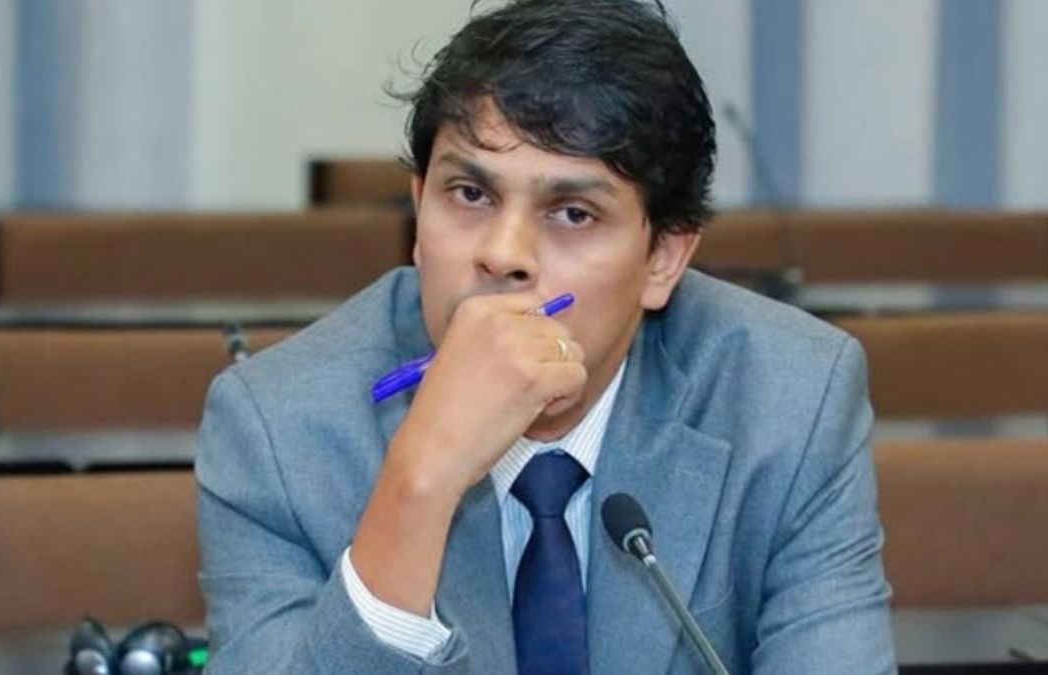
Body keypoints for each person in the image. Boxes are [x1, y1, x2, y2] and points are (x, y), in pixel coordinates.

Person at [195, 1, 895, 673]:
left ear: (663, 258)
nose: (504, 254)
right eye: (470, 194)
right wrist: (420, 481)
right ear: (418, 213)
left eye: (573, 213)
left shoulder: (790, 399)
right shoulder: (278, 427)